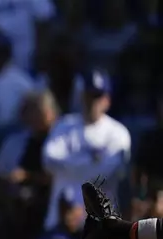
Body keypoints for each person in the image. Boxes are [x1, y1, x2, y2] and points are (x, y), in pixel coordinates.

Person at [41, 69, 131, 230]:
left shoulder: (118, 133)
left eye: (97, 96)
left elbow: (105, 173)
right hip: (60, 218)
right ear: (82, 97)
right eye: (89, 95)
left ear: (107, 100)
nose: (92, 102)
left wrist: (69, 164)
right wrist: (91, 162)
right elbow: (48, 161)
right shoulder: (64, 125)